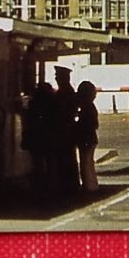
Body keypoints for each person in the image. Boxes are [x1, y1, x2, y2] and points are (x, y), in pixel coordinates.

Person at [21, 81, 56, 197]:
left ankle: (39, 185)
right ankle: (50, 185)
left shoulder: (33, 104)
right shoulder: (52, 103)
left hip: (36, 136)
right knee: (49, 161)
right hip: (49, 136)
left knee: (37, 162)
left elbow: (28, 120)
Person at [52, 66, 80, 194]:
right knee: (67, 157)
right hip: (67, 129)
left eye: (58, 77)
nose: (56, 79)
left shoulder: (65, 92)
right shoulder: (66, 91)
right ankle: (69, 184)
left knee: (66, 158)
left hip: (64, 129)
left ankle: (68, 185)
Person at [73, 81, 101, 193]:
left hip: (86, 138)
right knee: (88, 162)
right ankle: (91, 185)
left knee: (86, 162)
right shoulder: (90, 106)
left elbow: (89, 123)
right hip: (90, 138)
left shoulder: (86, 107)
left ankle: (89, 186)